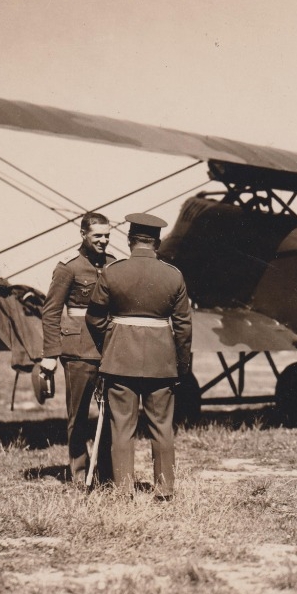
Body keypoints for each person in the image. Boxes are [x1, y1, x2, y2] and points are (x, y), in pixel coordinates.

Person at [85, 213, 192, 500]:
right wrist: (181, 366)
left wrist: (112, 340)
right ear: (157, 242)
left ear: (130, 240)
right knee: (162, 426)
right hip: (162, 363)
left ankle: (123, 492)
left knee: (121, 427)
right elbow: (183, 327)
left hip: (120, 360)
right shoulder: (173, 275)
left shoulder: (113, 272)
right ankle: (165, 490)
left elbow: (94, 318)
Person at [40, 212, 116, 488]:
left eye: (107, 235)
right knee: (78, 416)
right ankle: (80, 474)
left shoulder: (114, 266)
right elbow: (50, 313)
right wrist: (49, 354)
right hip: (77, 351)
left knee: (110, 415)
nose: (104, 240)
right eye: (98, 235)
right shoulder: (68, 268)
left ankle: (107, 475)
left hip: (107, 350)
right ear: (83, 234)